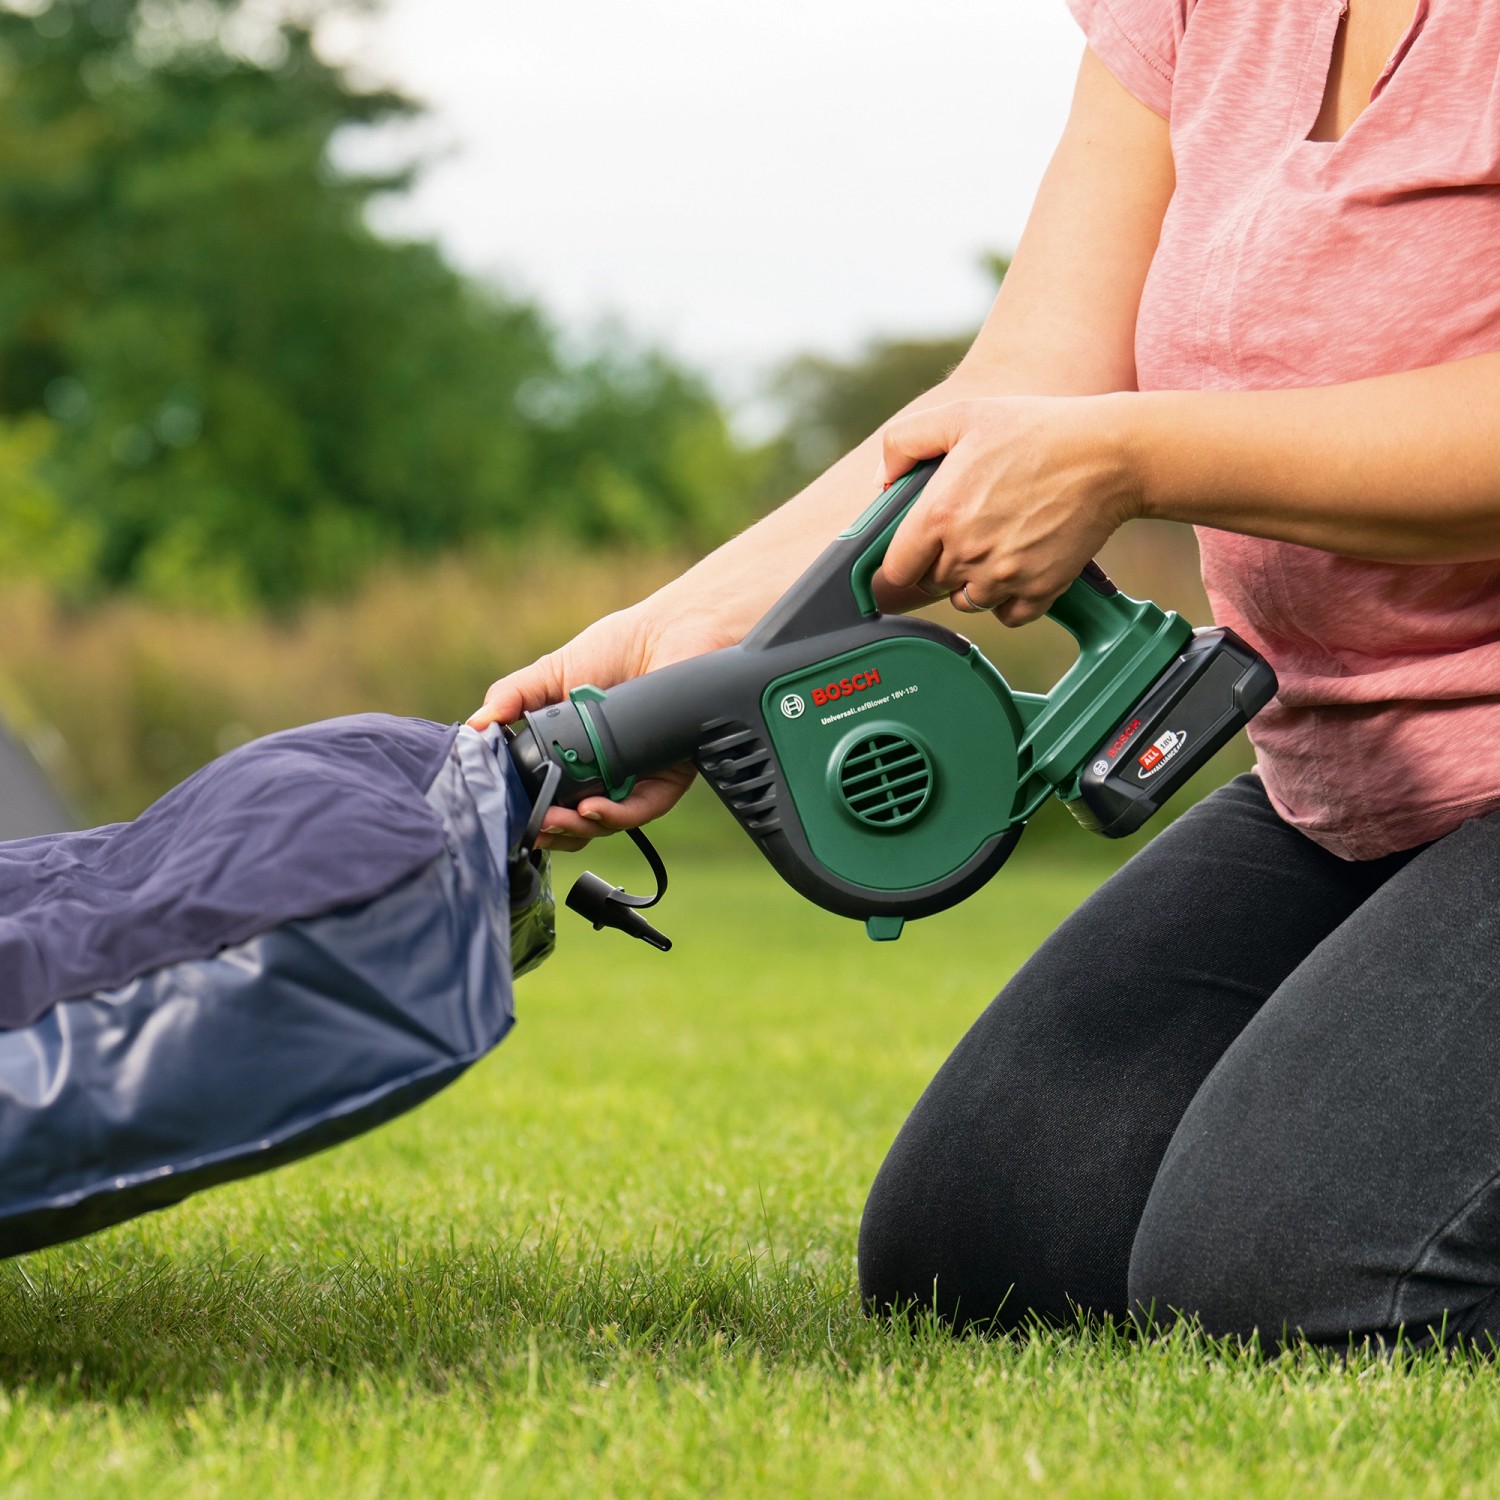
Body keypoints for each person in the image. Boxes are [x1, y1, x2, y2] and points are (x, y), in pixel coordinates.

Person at [471, 0, 1500, 1349]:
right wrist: (686, 643)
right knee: (987, 1245)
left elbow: (1096, 431)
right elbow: (1034, 375)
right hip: (1350, 773)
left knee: (1299, 1281)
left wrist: (1131, 458)